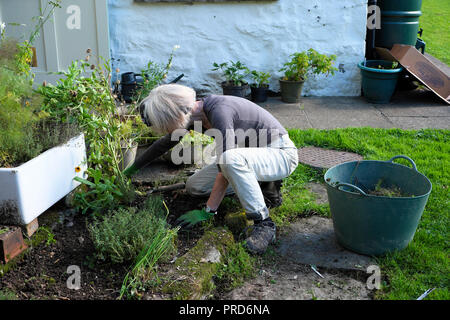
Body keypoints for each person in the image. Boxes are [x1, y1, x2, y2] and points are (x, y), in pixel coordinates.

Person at [124, 84, 298, 254]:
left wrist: (208, 211)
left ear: (176, 114)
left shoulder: (220, 111)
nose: (167, 129)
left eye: (167, 124)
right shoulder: (194, 115)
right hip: (251, 157)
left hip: (280, 155)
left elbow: (225, 165)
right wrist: (132, 170)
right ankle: (258, 185)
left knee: (229, 159)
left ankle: (264, 223)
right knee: (194, 186)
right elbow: (163, 144)